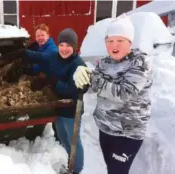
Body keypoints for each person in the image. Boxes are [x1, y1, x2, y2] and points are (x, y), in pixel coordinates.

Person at [73, 14, 153, 174]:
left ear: (129, 42)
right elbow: (92, 87)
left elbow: (124, 93)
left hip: (127, 133)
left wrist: (94, 79)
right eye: (110, 41)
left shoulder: (140, 63)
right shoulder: (105, 63)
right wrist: (81, 77)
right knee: (111, 168)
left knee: (118, 171)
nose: (114, 45)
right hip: (105, 128)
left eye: (120, 40)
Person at [25, 28, 86, 174]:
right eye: (61, 45)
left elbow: (71, 89)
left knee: (73, 142)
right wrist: (21, 53)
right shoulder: (54, 55)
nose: (64, 49)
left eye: (68, 46)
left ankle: (76, 170)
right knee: (63, 139)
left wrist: (50, 81)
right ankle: (70, 164)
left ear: (75, 47)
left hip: (71, 110)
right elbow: (38, 56)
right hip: (58, 108)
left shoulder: (78, 64)